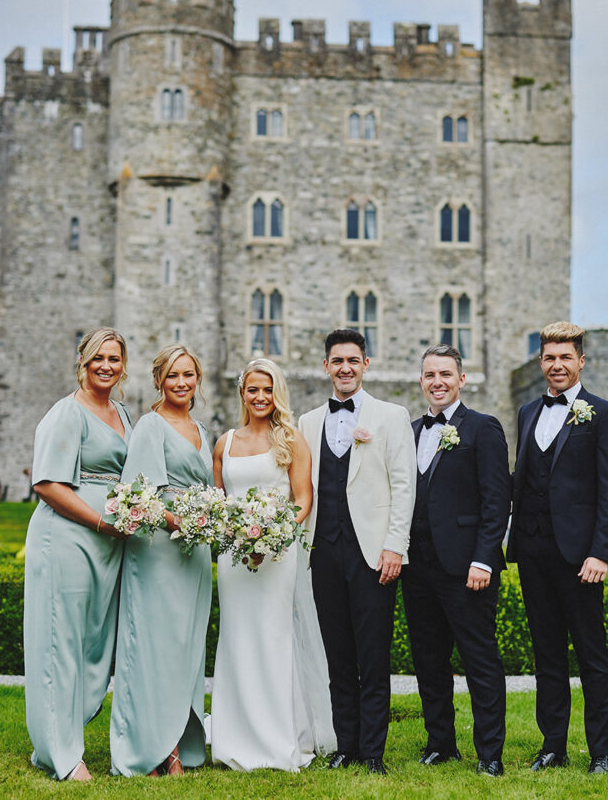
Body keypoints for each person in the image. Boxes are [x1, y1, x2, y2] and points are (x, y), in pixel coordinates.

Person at [509, 321, 608, 776]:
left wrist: (601, 552)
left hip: (581, 558)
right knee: (547, 655)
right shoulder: (526, 413)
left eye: (565, 357)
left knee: (592, 656)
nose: (557, 365)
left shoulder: (604, 413)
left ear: (581, 361)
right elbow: (525, 479)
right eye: (549, 357)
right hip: (534, 554)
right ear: (540, 362)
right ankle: (552, 745)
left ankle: (601, 753)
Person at [298, 329, 416, 775]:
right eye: (336, 360)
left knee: (373, 655)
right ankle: (345, 744)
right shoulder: (309, 422)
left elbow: (405, 486)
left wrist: (395, 547)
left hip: (373, 555)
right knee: (338, 656)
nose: (344, 367)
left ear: (366, 364)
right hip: (324, 553)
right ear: (326, 367)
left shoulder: (391, 415)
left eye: (353, 360)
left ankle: (373, 752)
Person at [209, 358, 335, 771]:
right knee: (237, 640)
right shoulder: (224, 444)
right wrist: (236, 534)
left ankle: (280, 738)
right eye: (252, 390)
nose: (260, 397)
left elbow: (302, 499)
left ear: (276, 392)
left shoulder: (292, 440)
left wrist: (273, 534)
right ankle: (234, 738)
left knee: (274, 638)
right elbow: (218, 501)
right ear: (242, 393)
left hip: (277, 556)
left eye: (267, 390)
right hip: (233, 558)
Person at [24, 327, 133, 782]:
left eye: (114, 358)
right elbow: (46, 484)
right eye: (97, 359)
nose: (106, 366)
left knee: (94, 647)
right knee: (59, 643)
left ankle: (61, 735)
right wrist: (99, 521)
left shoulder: (124, 414)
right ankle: (63, 755)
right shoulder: (66, 413)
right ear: (82, 362)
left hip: (109, 545)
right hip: (67, 537)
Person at [403, 343, 510, 776]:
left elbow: (496, 500)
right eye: (430, 375)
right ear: (422, 381)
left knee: (480, 660)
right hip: (418, 569)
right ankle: (440, 743)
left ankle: (490, 754)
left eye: (446, 374)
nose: (438, 382)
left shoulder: (483, 428)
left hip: (468, 569)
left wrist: (484, 559)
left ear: (461, 379)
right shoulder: (409, 431)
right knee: (428, 660)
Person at [110, 344, 213, 778]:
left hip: (196, 552)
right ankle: (155, 749)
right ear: (158, 381)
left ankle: (176, 741)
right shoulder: (150, 427)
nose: (181, 383)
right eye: (172, 375)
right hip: (159, 550)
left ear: (198, 380)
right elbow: (140, 494)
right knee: (153, 649)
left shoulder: (202, 430)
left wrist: (209, 522)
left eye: (188, 375)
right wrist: (179, 521)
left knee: (186, 650)